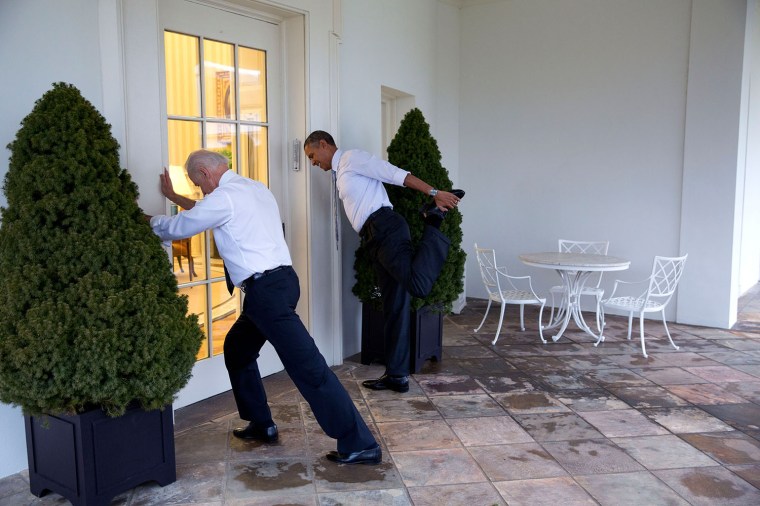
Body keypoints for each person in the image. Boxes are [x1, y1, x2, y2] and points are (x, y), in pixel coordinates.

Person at [149, 149, 381, 465]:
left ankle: (360, 442)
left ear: (205, 173)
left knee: (308, 367)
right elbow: (205, 211)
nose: (200, 189)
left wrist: (147, 220)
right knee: (237, 349)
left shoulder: (223, 197)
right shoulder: (253, 188)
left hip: (266, 294)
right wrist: (176, 196)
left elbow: (178, 228)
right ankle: (261, 423)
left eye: (197, 183)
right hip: (282, 282)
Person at [304, 131, 464, 393]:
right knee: (394, 307)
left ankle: (434, 219)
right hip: (373, 237)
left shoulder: (352, 159)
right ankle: (397, 375)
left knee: (418, 285)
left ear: (323, 144)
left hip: (386, 228)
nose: (313, 163)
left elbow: (394, 174)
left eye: (312, 156)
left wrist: (433, 192)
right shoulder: (341, 171)